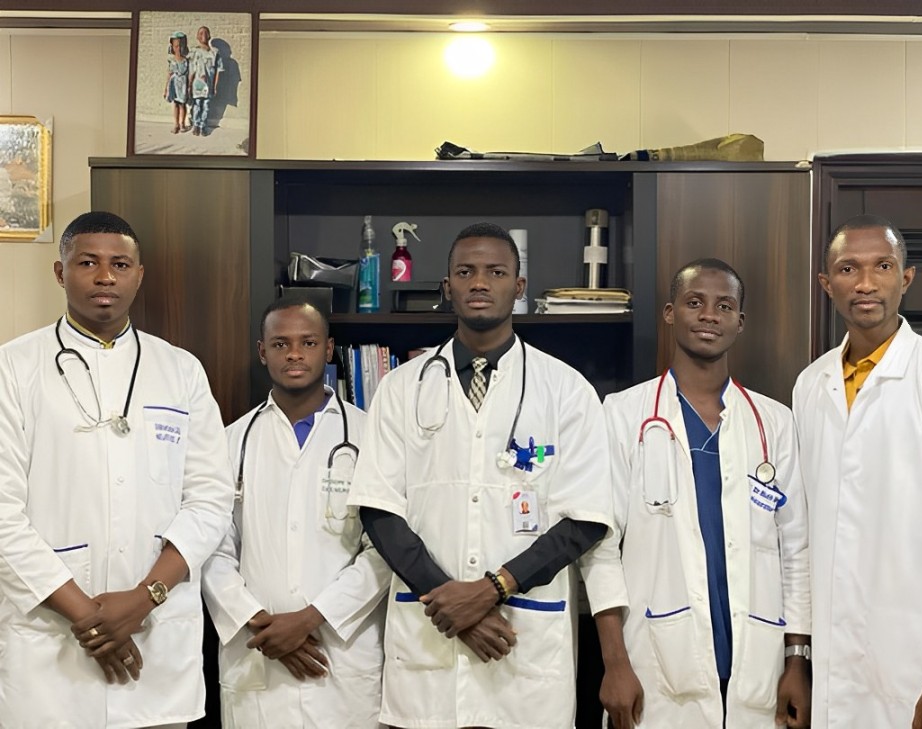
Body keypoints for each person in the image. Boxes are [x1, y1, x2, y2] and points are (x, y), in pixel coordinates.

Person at [347, 221, 613, 729]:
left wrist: (491, 590)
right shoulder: (401, 387)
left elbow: (586, 520)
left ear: (519, 286)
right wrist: (452, 604)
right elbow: (379, 510)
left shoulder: (566, 389)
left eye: (496, 272)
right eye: (465, 272)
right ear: (447, 286)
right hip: (431, 639)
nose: (480, 283)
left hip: (522, 644)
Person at [0, 211, 234, 727]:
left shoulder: (181, 369)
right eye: (88, 263)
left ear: (139, 275)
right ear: (60, 272)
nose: (105, 276)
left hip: (157, 640)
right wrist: (89, 617)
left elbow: (211, 500)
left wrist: (144, 599)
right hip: (52, 649)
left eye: (120, 264)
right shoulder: (13, 368)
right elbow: (3, 517)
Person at [583, 258, 811, 728]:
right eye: (694, 302)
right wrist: (615, 663)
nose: (709, 315)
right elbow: (600, 547)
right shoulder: (623, 414)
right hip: (655, 660)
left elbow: (795, 551)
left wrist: (797, 660)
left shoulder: (774, 422)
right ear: (670, 313)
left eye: (724, 306)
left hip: (758, 661)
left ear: (739, 322)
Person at [793, 214, 922, 728]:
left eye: (883, 266)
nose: (866, 283)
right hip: (834, 665)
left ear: (906, 278)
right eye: (848, 268)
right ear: (827, 283)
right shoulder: (809, 386)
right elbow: (803, 532)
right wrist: (799, 657)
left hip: (919, 666)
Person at [202, 295, 390, 728]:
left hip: (340, 650)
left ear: (328, 349)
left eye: (308, 342)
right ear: (262, 351)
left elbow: (382, 549)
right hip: (258, 649)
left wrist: (310, 619)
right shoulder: (231, 441)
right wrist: (258, 622)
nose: (294, 354)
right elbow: (213, 547)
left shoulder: (369, 436)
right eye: (280, 343)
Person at [188, 25, 223, 137]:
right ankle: (196, 125)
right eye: (201, 33)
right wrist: (189, 85)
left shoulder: (215, 53)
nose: (203, 35)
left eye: (205, 32)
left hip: (208, 85)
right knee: (197, 105)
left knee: (206, 106)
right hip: (197, 84)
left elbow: (218, 70)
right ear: (197, 37)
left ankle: (203, 126)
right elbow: (191, 70)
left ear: (209, 36)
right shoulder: (194, 52)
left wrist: (215, 86)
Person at [164, 31, 191, 134]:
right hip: (174, 84)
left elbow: (189, 74)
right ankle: (176, 124)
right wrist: (166, 88)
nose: (178, 48)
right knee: (175, 104)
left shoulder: (186, 61)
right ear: (172, 47)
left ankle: (182, 123)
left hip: (183, 84)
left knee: (182, 104)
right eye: (176, 46)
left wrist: (189, 87)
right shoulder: (171, 60)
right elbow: (169, 74)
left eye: (180, 46)